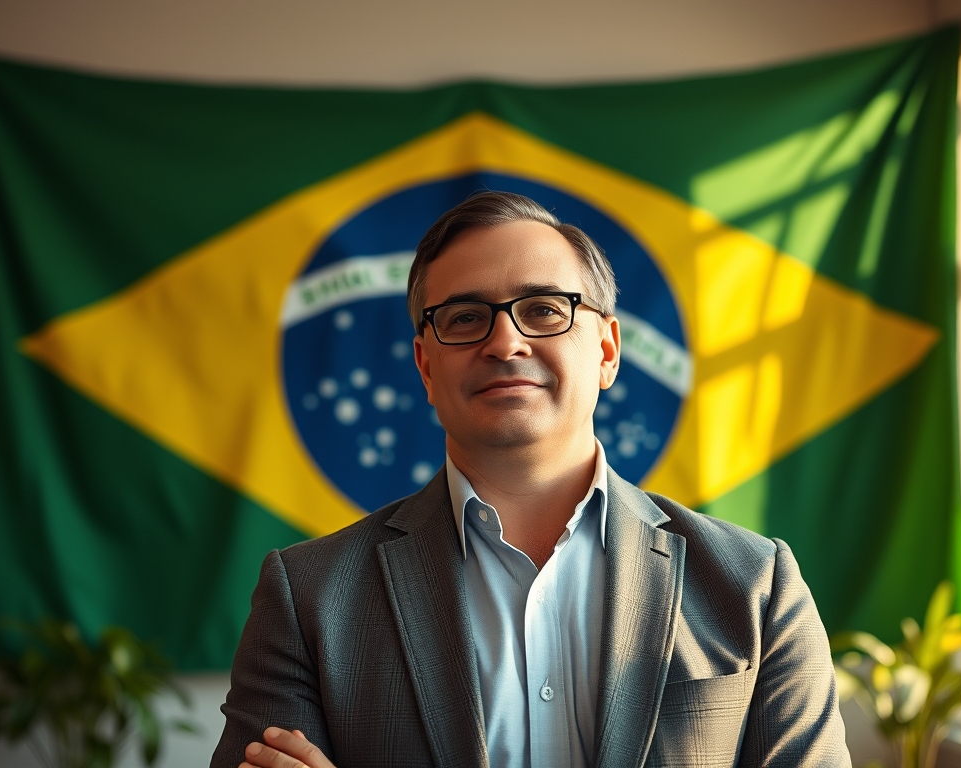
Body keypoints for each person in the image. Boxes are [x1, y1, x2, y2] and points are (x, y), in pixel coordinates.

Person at [211, 191, 850, 768]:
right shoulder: (308, 598)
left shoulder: (756, 587)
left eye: (544, 309)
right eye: (464, 318)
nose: (505, 342)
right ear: (424, 365)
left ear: (606, 350)